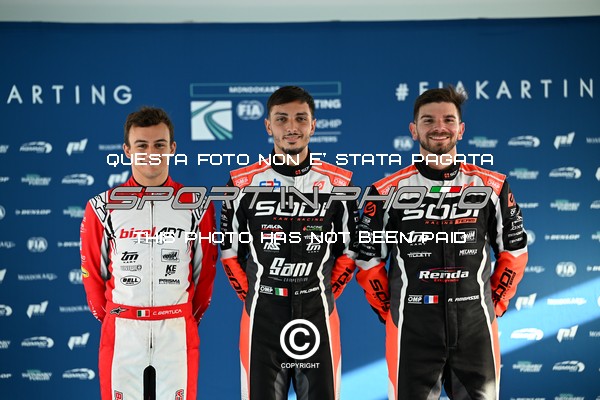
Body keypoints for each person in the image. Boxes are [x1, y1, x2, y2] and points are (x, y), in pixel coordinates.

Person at [355, 86, 528, 400]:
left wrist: (493, 304)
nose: (439, 127)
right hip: (412, 330)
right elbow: (368, 261)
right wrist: (391, 311)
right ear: (414, 130)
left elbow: (514, 252)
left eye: (448, 119)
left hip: (476, 328)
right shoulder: (385, 192)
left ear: (461, 130)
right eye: (428, 120)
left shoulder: (491, 186)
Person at [220, 86, 358, 400]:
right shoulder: (242, 184)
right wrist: (256, 294)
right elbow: (229, 253)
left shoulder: (338, 184)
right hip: (263, 316)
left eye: (300, 118)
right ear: (268, 126)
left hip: (318, 313)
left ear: (314, 125)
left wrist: (321, 291)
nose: (291, 127)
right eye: (282, 119)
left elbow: (350, 250)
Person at [80, 106, 217, 400]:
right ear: (127, 150)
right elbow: (92, 273)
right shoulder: (102, 207)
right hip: (123, 332)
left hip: (176, 331)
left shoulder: (196, 205)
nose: (151, 153)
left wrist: (183, 317)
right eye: (141, 145)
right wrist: (116, 318)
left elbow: (204, 273)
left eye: (159, 144)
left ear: (172, 149)